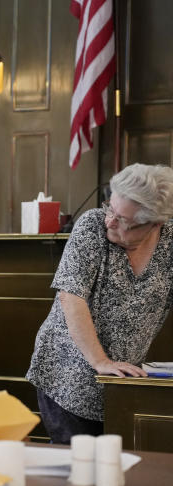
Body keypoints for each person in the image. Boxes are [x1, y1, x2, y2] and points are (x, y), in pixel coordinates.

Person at [27, 163, 173, 443]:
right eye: (111, 209)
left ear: (155, 223)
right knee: (81, 469)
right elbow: (71, 297)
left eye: (123, 220)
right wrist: (100, 361)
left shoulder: (169, 241)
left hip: (124, 385)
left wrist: (111, 369)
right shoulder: (91, 226)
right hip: (68, 376)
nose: (110, 221)